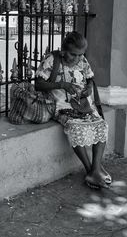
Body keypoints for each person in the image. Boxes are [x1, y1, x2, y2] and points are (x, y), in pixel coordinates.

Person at [35, 31, 111, 189]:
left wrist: (89, 87)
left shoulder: (82, 60)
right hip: (60, 106)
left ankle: (96, 169)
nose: (77, 59)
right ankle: (90, 170)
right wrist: (62, 84)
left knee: (101, 126)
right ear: (63, 51)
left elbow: (90, 78)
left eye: (81, 55)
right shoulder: (51, 59)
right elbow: (38, 84)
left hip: (82, 104)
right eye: (73, 55)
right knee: (75, 128)